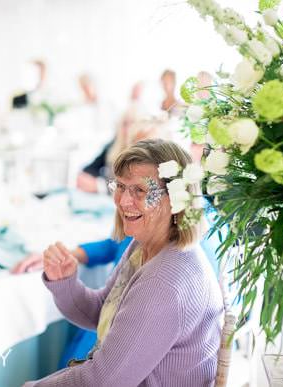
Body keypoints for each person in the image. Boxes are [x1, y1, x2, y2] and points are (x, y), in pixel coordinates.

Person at [23, 139, 223, 386]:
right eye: (120, 186)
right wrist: (64, 282)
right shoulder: (144, 244)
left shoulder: (164, 282)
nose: (123, 201)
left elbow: (102, 381)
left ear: (175, 200)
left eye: (140, 190)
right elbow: (101, 311)